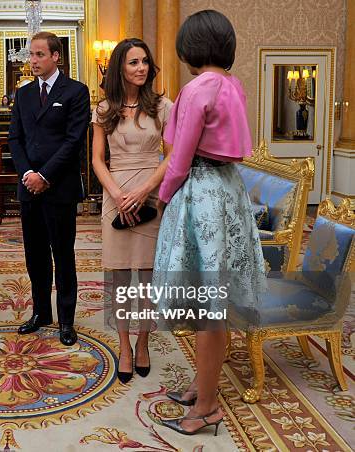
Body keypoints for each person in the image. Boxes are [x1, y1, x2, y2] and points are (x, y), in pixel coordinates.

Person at [148, 10, 266, 435]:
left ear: (190, 47)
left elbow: (178, 158)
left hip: (201, 194)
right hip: (228, 191)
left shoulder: (197, 88)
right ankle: (202, 387)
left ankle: (208, 407)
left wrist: (161, 198)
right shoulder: (234, 86)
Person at [91, 38, 172, 383]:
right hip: (116, 198)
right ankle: (124, 346)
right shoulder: (104, 109)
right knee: (121, 279)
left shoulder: (163, 107)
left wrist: (143, 191)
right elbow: (97, 159)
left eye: (144, 62)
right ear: (119, 68)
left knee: (148, 281)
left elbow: (172, 157)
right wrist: (117, 193)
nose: (141, 68)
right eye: (133, 62)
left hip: (150, 196)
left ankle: (143, 343)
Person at [8, 31, 90, 346]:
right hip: (29, 188)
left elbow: (73, 141)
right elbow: (15, 138)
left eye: (40, 55)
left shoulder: (76, 92)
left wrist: (45, 175)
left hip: (59, 189)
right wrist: (28, 172)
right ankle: (41, 313)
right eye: (31, 55)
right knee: (35, 256)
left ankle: (66, 321)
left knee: (63, 255)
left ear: (56, 56)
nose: (33, 61)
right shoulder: (24, 94)